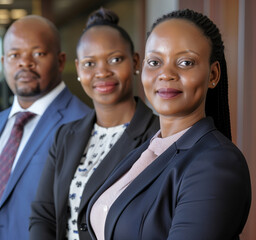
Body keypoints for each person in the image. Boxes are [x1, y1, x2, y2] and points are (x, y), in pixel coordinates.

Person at [86, 9, 251, 240]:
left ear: (213, 74)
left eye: (185, 62)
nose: (166, 74)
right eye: (154, 62)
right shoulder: (145, 151)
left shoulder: (217, 163)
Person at [29, 8, 159, 240]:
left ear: (135, 62)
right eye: (90, 64)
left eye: (115, 59)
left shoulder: (158, 135)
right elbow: (43, 215)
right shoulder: (65, 135)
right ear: (78, 69)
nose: (102, 72)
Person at [0, 15, 91, 240]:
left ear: (60, 61)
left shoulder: (84, 124)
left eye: (38, 54)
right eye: (14, 55)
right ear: (3, 63)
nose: (25, 63)